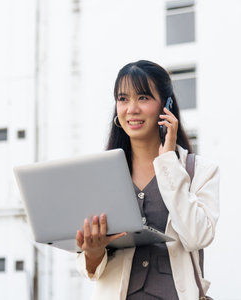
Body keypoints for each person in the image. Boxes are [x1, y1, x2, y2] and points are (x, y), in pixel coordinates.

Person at [75, 60, 219, 300]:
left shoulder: (201, 171)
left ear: (167, 105)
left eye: (143, 97)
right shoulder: (103, 174)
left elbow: (197, 237)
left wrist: (168, 164)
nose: (131, 109)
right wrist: (93, 251)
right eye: (123, 99)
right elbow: (89, 268)